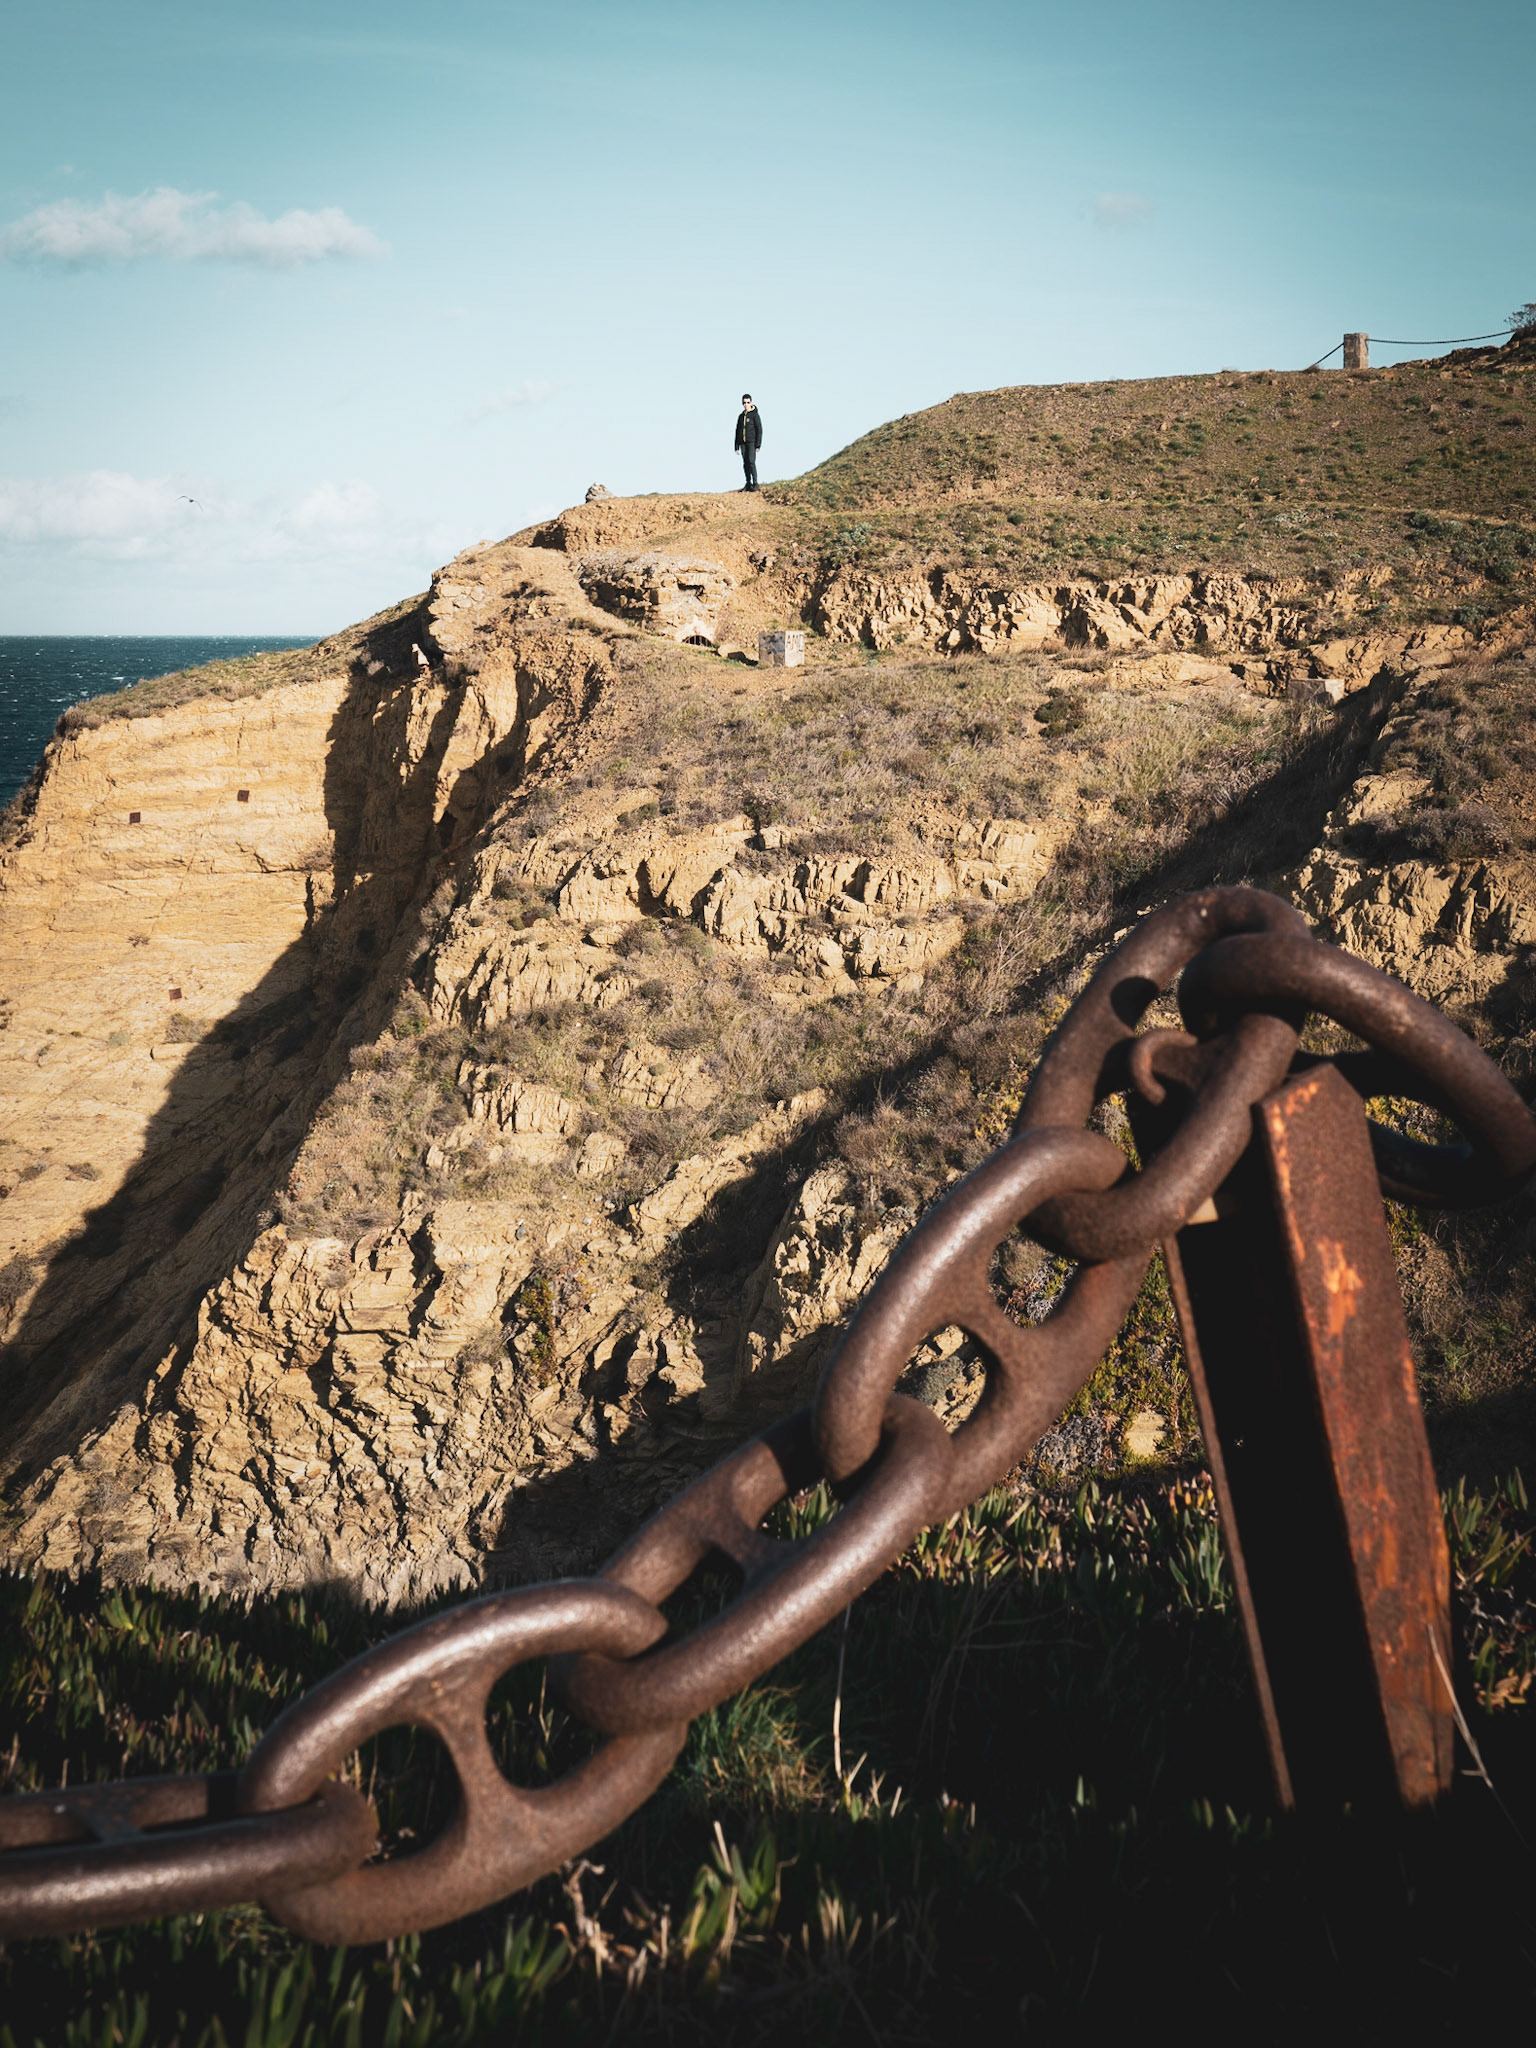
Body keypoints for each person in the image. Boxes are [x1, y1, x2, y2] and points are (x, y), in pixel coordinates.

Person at [734, 394, 763, 491]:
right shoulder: (741, 416)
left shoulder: (755, 415)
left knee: (751, 461)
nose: (746, 404)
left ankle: (755, 483)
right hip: (742, 443)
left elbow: (759, 429)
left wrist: (758, 444)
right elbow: (737, 430)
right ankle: (748, 483)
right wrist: (736, 445)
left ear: (751, 402)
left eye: (748, 402)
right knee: (745, 463)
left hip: (752, 442)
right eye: (744, 403)